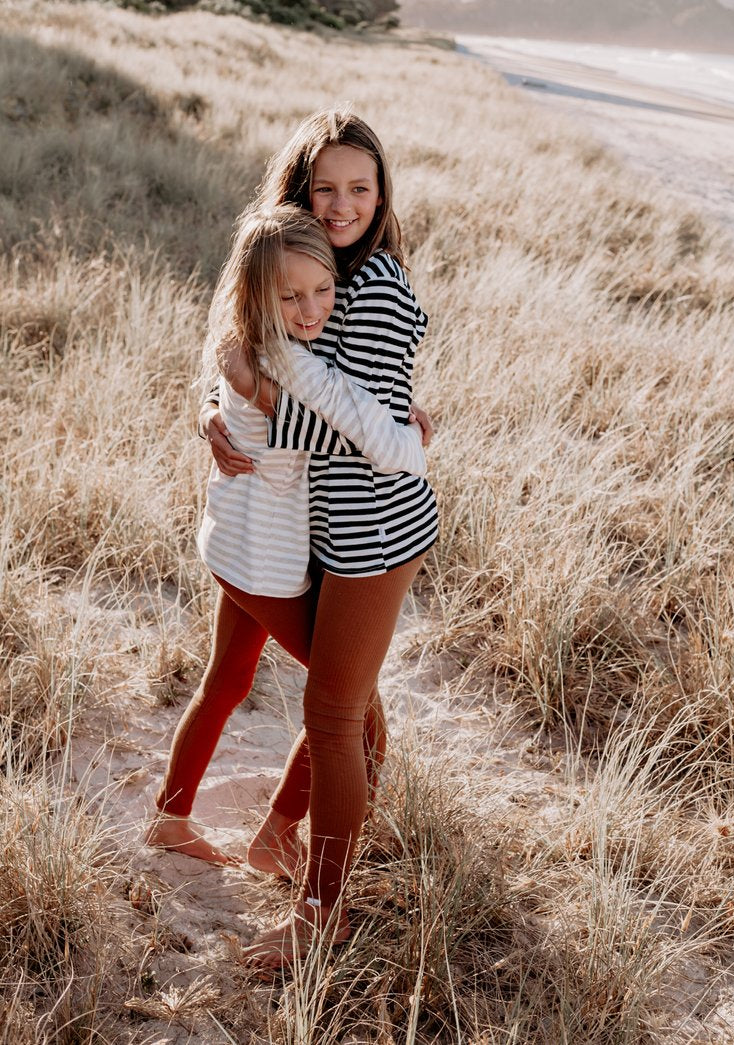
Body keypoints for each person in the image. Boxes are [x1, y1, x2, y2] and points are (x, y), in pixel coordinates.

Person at [202, 109, 439, 970]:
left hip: (376, 528)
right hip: (323, 527)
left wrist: (258, 396)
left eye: (361, 188)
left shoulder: (372, 287)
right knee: (349, 707)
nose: (343, 205)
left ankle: (320, 913)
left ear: (383, 195)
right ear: (301, 193)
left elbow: (368, 432)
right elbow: (250, 347)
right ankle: (277, 835)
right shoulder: (303, 264)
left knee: (336, 713)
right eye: (326, 188)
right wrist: (217, 406)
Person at [147, 204, 428, 874]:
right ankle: (278, 835)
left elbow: (235, 379)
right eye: (290, 295)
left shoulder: (244, 336)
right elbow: (374, 439)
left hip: (233, 543)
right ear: (259, 295)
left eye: (323, 290)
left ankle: (170, 816)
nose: (309, 309)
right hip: (264, 564)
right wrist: (412, 431)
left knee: (227, 678)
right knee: (353, 708)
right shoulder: (283, 361)